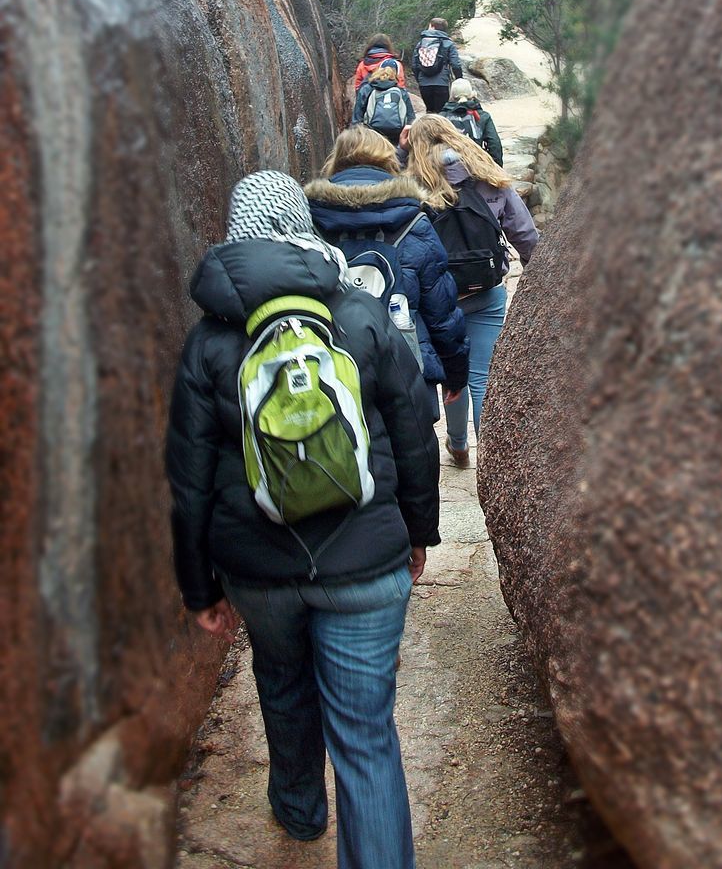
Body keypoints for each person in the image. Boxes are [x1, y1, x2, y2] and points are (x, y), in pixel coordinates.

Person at [165, 170, 438, 867]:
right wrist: (417, 531)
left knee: (282, 684)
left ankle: (298, 811)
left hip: (259, 568)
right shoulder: (359, 310)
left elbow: (189, 480)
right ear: (301, 224)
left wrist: (202, 588)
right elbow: (412, 431)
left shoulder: (208, 341)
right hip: (366, 561)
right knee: (366, 736)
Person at [402, 116, 538, 466]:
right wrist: (539, 279)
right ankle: (492, 467)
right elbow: (523, 232)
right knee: (483, 378)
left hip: (438, 299)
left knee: (451, 370)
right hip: (487, 289)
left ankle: (458, 443)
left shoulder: (412, 184)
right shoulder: (487, 175)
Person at [305, 126, 469, 418]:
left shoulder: (310, 222)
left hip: (329, 366)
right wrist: (455, 372)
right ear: (387, 161)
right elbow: (440, 311)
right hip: (405, 365)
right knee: (412, 455)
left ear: (336, 161)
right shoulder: (413, 221)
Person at [440, 77, 504, 166]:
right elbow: (494, 144)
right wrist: (497, 168)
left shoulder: (441, 117)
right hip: (476, 165)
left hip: (449, 168)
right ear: (471, 94)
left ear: (451, 95)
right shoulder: (483, 116)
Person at [352, 59, 416, 143]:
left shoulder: (366, 89)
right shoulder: (401, 91)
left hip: (372, 136)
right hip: (396, 137)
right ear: (396, 73)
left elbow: (357, 117)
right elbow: (411, 118)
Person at [411, 17, 462, 113]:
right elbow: (455, 65)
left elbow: (414, 65)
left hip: (424, 83)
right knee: (442, 113)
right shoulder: (448, 43)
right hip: (441, 82)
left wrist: (419, 79)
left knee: (429, 112)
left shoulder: (421, 43)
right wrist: (459, 79)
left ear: (432, 26)